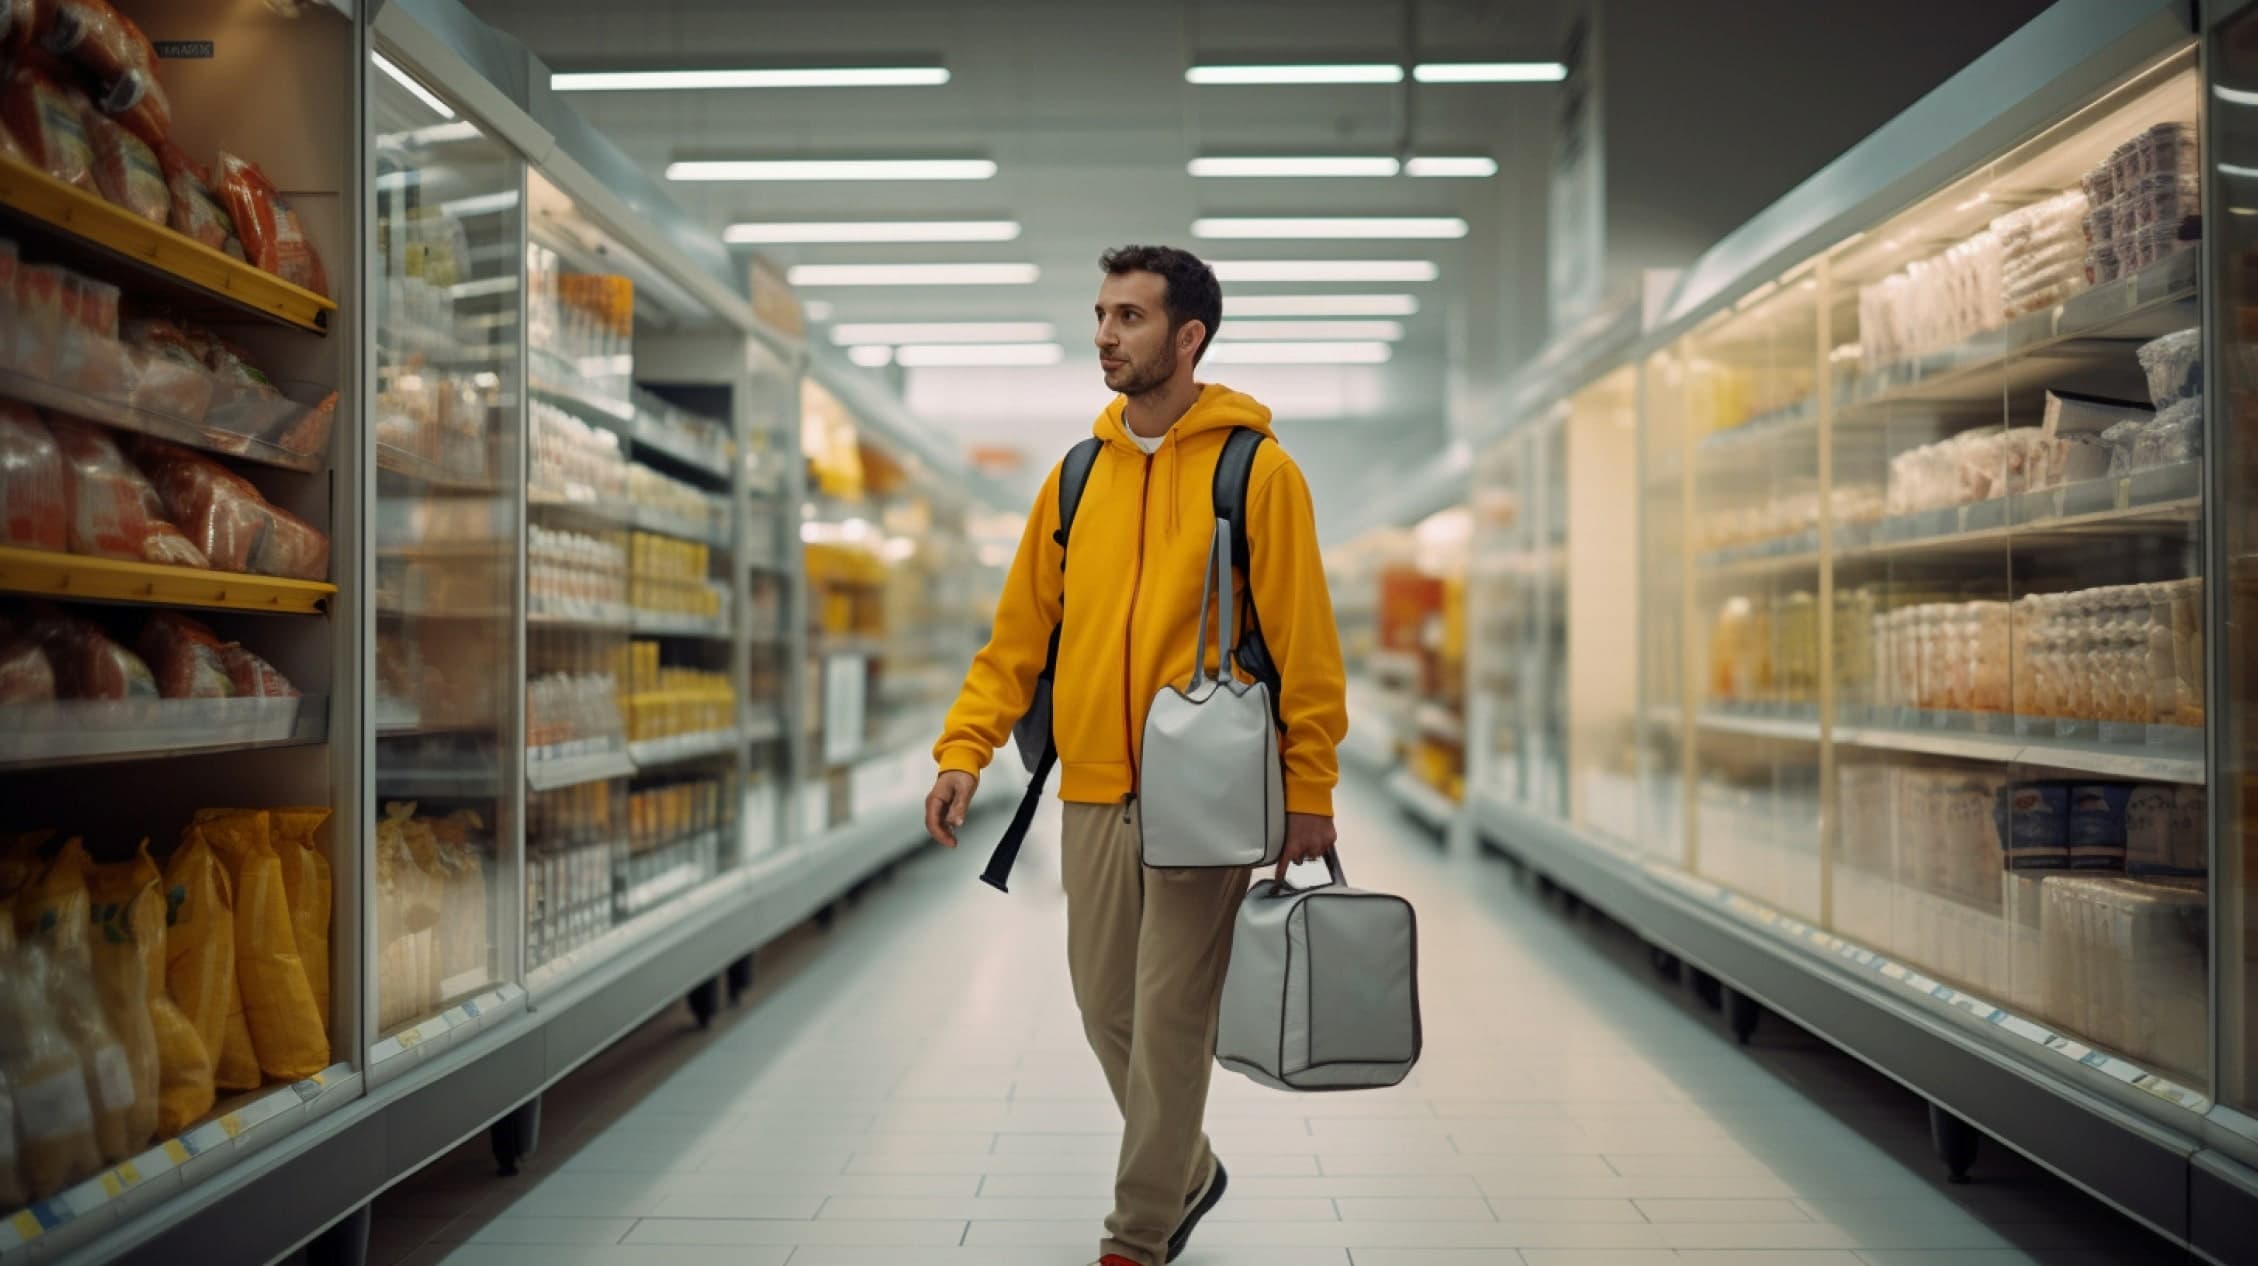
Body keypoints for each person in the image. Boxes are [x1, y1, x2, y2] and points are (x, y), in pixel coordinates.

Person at [923, 244, 1350, 1266]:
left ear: (1187, 337)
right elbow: (1018, 635)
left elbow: (1305, 647)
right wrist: (964, 749)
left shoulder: (1256, 472)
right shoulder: (1077, 477)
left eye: (1130, 318)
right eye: (1102, 314)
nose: (1106, 335)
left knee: (1166, 1018)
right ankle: (1188, 1165)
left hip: (1205, 798)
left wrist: (1310, 788)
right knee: (1104, 1006)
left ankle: (1137, 1230)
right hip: (1092, 790)